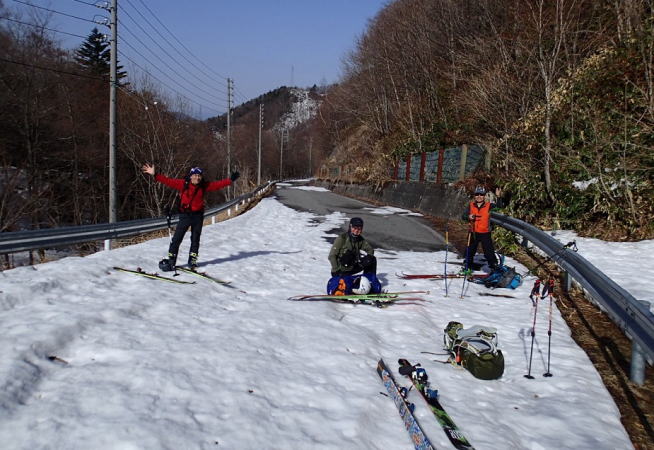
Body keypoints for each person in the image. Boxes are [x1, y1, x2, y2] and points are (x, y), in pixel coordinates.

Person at [142, 163, 240, 271]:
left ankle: (192, 261)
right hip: (185, 215)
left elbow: (217, 184)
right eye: (195, 175)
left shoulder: (203, 186)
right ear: (191, 176)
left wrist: (230, 180)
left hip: (197, 216)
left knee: (195, 239)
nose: (197, 178)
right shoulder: (183, 184)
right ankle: (171, 260)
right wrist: (155, 174)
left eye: (199, 176)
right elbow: (168, 181)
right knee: (177, 239)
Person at [461, 186, 503, 271]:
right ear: (474, 196)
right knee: (470, 250)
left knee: (489, 252)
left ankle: (494, 267)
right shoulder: (471, 205)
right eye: (477, 194)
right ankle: (468, 265)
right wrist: (468, 216)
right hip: (473, 232)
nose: (479, 196)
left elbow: (499, 208)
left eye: (481, 194)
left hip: (485, 232)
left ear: (484, 196)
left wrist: (498, 197)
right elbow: (463, 216)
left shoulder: (489, 206)